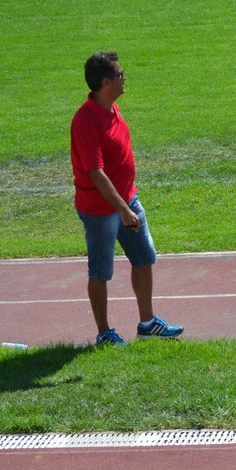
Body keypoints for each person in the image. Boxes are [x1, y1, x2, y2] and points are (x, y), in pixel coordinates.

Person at [70, 51, 183, 346]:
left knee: (144, 258)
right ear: (106, 82)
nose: (124, 78)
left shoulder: (111, 108)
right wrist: (122, 209)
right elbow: (96, 173)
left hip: (127, 200)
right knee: (100, 271)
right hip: (101, 209)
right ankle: (104, 333)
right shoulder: (86, 120)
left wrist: (127, 202)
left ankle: (147, 324)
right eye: (120, 75)